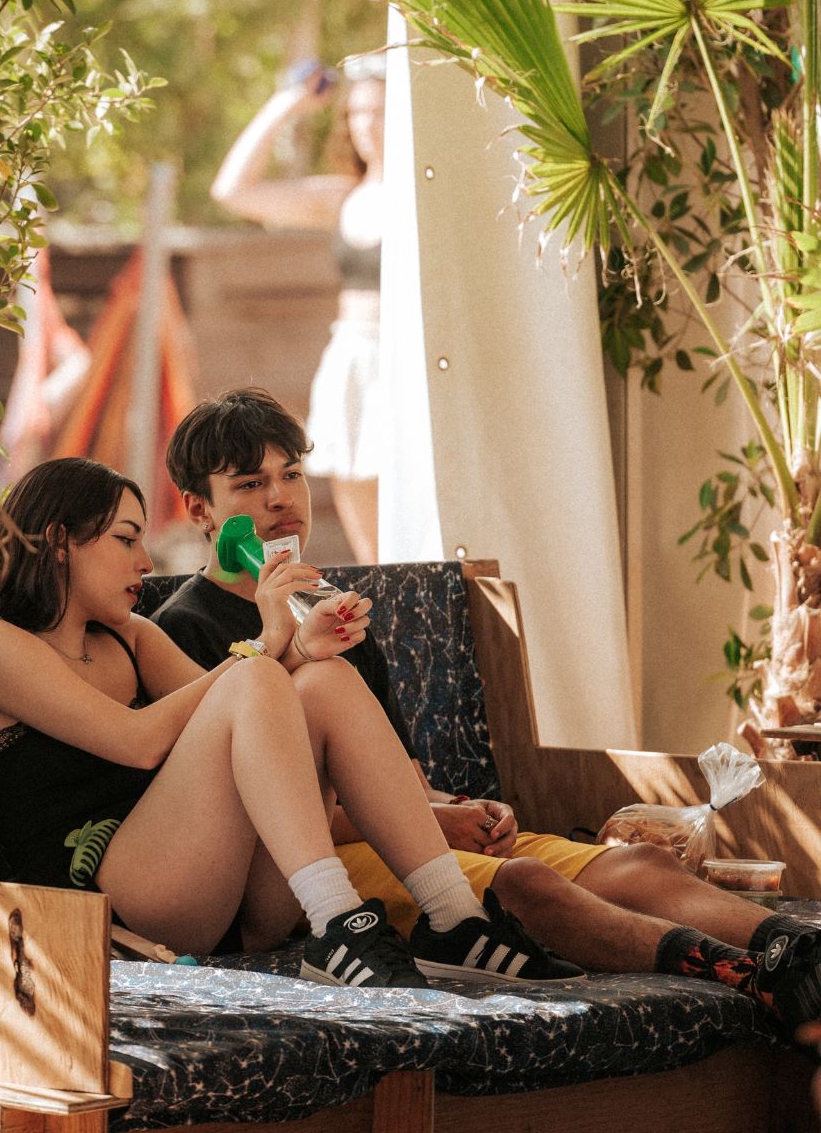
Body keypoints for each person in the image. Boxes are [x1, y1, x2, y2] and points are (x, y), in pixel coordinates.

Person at [152, 387, 821, 1031]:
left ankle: (798, 947)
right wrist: (437, 822)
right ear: (200, 510)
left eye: (291, 474)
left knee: (638, 864)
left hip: (418, 831)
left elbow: (397, 775)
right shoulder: (186, 628)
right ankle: (755, 978)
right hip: (321, 864)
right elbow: (249, 816)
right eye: (249, 484)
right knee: (526, 883)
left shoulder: (328, 608)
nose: (279, 498)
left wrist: (462, 808)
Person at [0, 456, 584, 989]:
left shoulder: (131, 637)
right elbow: (140, 742)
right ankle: (338, 923)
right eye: (126, 539)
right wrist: (267, 642)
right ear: (59, 542)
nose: (145, 561)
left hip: (235, 899)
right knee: (254, 674)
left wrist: (301, 647)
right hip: (126, 910)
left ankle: (455, 920)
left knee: (325, 680)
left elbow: (243, 712)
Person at [211, 56, 385, 565]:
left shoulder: (425, 201)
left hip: (409, 362)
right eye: (357, 113)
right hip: (354, 361)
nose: (367, 126)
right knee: (372, 551)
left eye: (380, 113)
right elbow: (232, 190)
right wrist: (289, 102)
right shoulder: (344, 196)